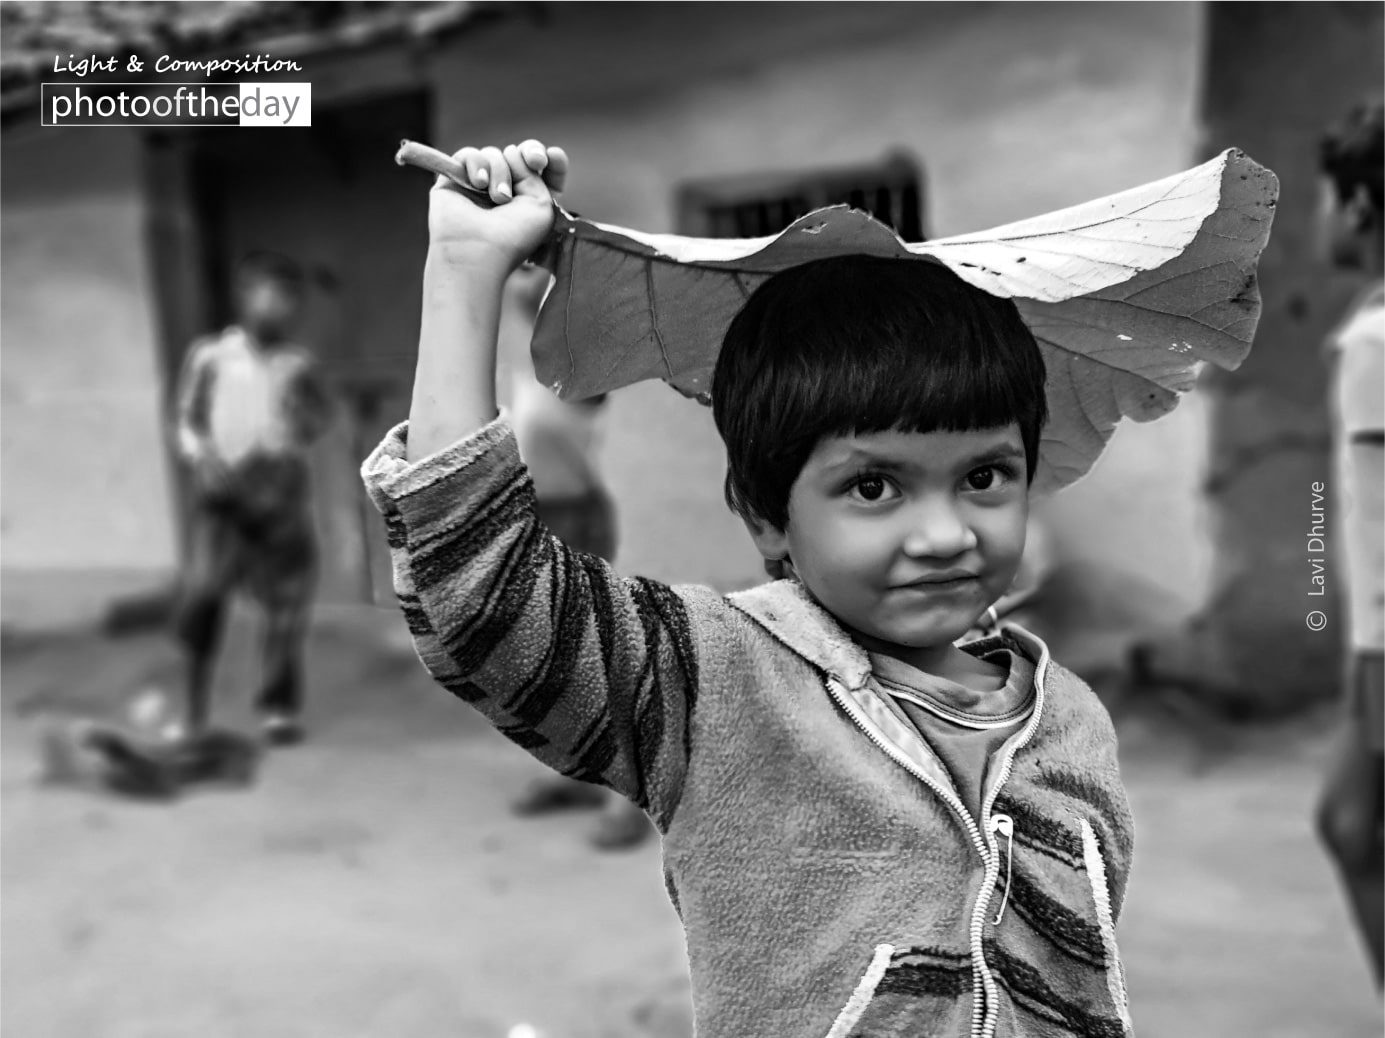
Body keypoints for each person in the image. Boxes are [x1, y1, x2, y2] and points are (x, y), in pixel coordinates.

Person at [362, 139, 1137, 1037]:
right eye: (873, 487)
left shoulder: (1070, 722)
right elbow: (482, 595)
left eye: (985, 476)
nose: (944, 534)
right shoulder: (717, 685)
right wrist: (464, 273)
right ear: (767, 516)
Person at [501, 266, 653, 850]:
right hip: (536, 517)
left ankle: (626, 799)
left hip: (574, 519)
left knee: (594, 658)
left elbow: (541, 305)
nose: (520, 277)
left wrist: (543, 283)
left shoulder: (579, 365)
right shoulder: (530, 359)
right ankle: (574, 775)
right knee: (546, 662)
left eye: (534, 267)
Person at [172, 252, 332, 746]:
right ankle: (192, 707)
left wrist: (295, 431)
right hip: (224, 495)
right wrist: (201, 457)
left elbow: (318, 417)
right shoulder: (210, 357)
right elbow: (186, 420)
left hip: (279, 494)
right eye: (268, 291)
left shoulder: (298, 363)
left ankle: (278, 708)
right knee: (203, 595)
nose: (278, 305)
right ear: (245, 295)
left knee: (285, 604)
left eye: (289, 298)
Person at [1313, 100, 1384, 989]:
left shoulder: (1373, 344)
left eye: (1325, 199)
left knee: (1350, 822)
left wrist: (1361, 680)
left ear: (1362, 209)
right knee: (1350, 822)